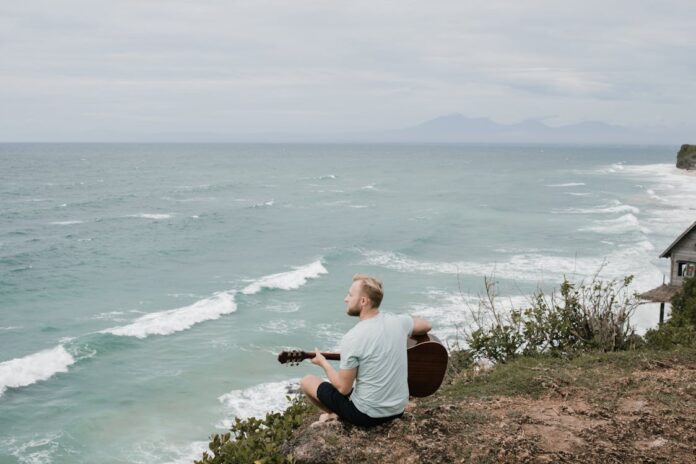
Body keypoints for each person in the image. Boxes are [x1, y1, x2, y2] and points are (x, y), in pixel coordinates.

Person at [299, 274, 432, 427]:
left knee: (307, 380)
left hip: (367, 416)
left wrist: (323, 363)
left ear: (363, 301)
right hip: (398, 409)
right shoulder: (398, 321)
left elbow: (343, 388)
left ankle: (333, 414)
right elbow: (426, 325)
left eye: (350, 294)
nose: (345, 299)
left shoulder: (353, 337)